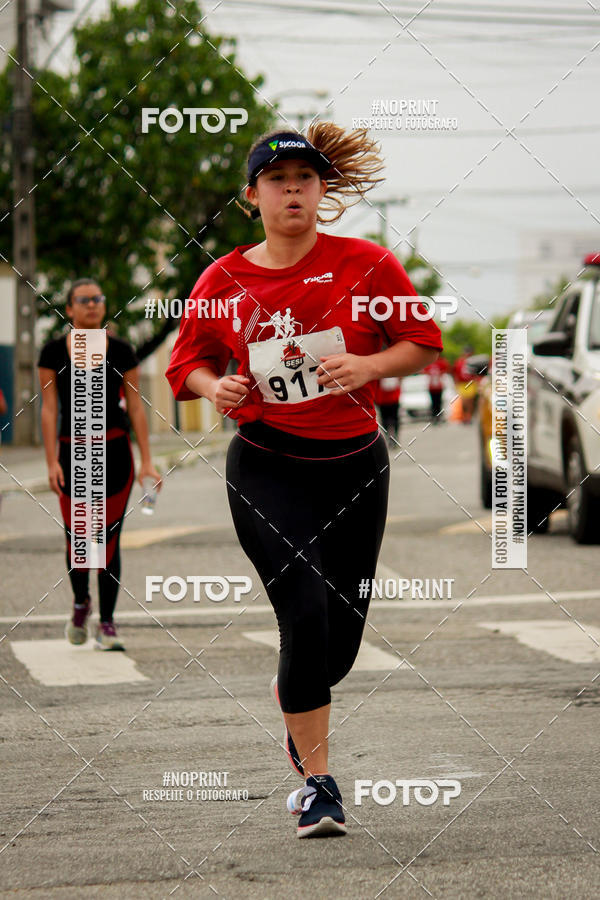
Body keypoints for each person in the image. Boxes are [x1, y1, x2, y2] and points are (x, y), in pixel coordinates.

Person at [166, 124, 442, 837]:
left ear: (322, 191)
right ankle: (319, 787)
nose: (292, 191)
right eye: (277, 180)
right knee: (304, 613)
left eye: (305, 180)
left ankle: (298, 697)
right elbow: (185, 362)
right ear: (251, 195)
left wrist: (369, 366)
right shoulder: (222, 280)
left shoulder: (369, 264)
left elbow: (423, 343)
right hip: (267, 463)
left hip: (355, 466)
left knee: (337, 645)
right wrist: (214, 387)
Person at [38, 279, 161, 650]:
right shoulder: (52, 352)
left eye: (98, 298)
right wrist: (50, 462)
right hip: (71, 452)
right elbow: (49, 409)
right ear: (70, 309)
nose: (92, 304)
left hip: (115, 451)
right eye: (83, 299)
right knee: (80, 538)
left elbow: (136, 407)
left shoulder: (122, 351)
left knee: (108, 538)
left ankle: (107, 623)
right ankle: (81, 603)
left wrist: (147, 462)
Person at [453, 346, 478, 424]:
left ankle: (468, 417)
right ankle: (464, 416)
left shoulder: (473, 362)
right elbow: (455, 373)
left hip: (470, 383)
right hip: (462, 384)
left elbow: (477, 373)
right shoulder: (459, 362)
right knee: (463, 401)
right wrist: (456, 383)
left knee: (470, 401)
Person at [374, 376, 401, 447]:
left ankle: (392, 437)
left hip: (388, 398)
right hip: (384, 398)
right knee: (390, 419)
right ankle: (392, 437)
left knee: (389, 419)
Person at [423, 355, 450, 424]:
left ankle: (439, 416)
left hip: (439, 386)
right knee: (433, 402)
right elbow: (424, 371)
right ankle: (434, 416)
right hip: (432, 386)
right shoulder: (429, 362)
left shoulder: (441, 362)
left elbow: (446, 370)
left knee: (439, 402)